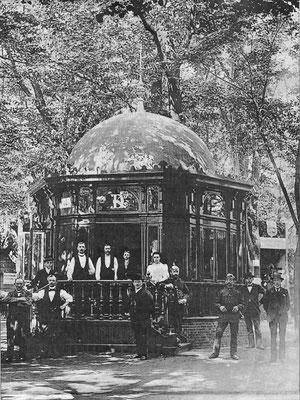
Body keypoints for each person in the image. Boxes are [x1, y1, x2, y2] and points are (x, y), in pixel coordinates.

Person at [32, 275, 73, 358]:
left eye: (53, 280)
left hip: (56, 316)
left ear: (56, 282)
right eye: (50, 280)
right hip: (46, 315)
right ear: (48, 281)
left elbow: (70, 298)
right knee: (45, 333)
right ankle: (45, 352)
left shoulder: (61, 291)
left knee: (56, 333)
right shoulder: (43, 291)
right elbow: (34, 297)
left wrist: (64, 305)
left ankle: (55, 353)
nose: (51, 282)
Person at [209, 273, 244, 360]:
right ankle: (215, 352)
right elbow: (216, 303)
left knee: (234, 335)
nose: (229, 282)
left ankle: (233, 354)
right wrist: (220, 306)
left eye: (231, 280)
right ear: (225, 281)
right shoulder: (221, 292)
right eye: (228, 280)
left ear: (234, 282)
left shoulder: (237, 293)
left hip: (234, 317)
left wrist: (237, 307)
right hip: (223, 316)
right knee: (219, 333)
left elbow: (242, 304)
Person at [261, 272, 290, 363]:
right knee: (273, 337)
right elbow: (265, 304)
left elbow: (288, 305)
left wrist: (282, 310)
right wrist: (270, 312)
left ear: (281, 282)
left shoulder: (285, 291)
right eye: (275, 281)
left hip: (282, 317)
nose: (277, 282)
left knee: (282, 337)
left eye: (278, 281)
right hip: (273, 317)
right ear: (273, 282)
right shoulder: (269, 292)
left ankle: (282, 357)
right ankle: (273, 357)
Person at [2, 278, 32, 362]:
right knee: (10, 337)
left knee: (23, 336)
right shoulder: (11, 293)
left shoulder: (27, 293)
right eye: (17, 284)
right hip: (12, 318)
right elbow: (5, 300)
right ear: (14, 284)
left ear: (23, 285)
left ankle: (22, 355)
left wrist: (14, 301)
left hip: (23, 318)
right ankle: (9, 356)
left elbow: (29, 302)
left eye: (21, 284)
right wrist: (19, 299)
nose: (19, 285)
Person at [129, 273, 155, 360]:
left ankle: (144, 354)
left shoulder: (145, 293)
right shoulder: (132, 294)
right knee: (137, 336)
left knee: (143, 336)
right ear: (133, 283)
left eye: (139, 282)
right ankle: (139, 353)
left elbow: (149, 307)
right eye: (135, 282)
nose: (137, 284)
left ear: (142, 283)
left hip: (143, 319)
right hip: (135, 319)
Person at [240, 271, 265, 349]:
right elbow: (238, 298)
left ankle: (259, 344)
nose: (249, 280)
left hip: (255, 310)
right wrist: (242, 306)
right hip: (246, 311)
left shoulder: (257, 287)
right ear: (245, 280)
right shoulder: (242, 288)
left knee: (257, 328)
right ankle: (251, 344)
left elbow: (266, 293)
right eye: (247, 279)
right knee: (249, 328)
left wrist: (260, 302)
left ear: (253, 279)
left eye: (250, 278)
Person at [161, 264, 189, 334]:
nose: (175, 273)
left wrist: (184, 299)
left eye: (177, 271)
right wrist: (166, 285)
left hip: (179, 306)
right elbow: (159, 285)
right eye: (174, 271)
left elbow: (187, 293)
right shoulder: (168, 281)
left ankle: (178, 337)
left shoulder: (182, 282)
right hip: (170, 306)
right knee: (171, 322)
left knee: (179, 323)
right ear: (171, 272)